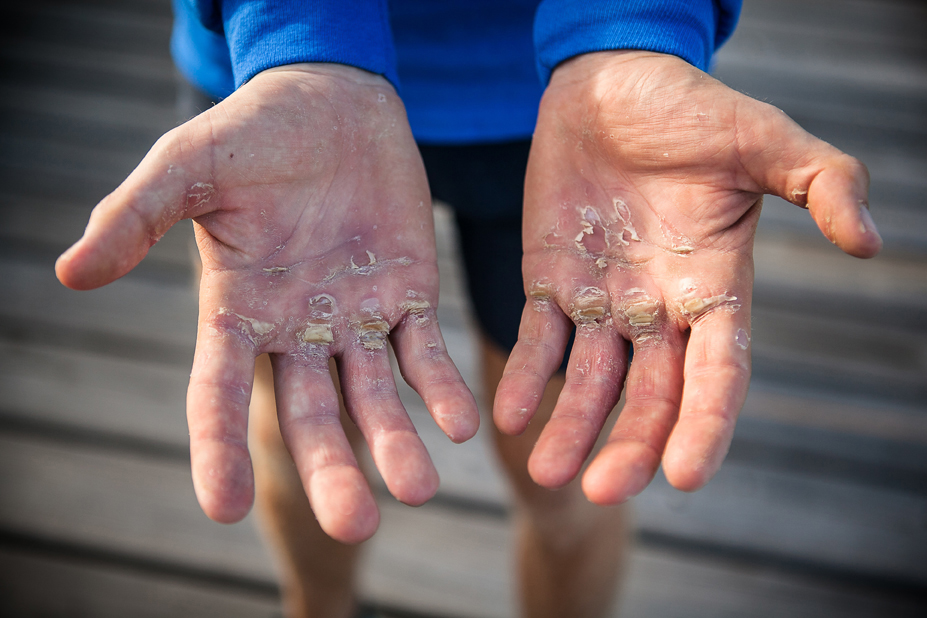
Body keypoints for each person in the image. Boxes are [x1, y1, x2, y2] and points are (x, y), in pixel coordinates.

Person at [54, 1, 883, 616]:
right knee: (306, 424)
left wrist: (633, 26)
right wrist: (298, 38)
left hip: (583, 108)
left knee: (564, 470)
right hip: (277, 96)